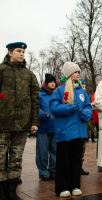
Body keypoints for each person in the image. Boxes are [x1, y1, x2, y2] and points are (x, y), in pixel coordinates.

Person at [0, 42, 39, 200]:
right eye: (18, 51)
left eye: (23, 51)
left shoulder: (29, 74)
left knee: (16, 159)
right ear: (10, 53)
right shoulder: (1, 70)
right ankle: (2, 193)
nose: (22, 54)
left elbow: (35, 100)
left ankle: (11, 192)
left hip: (22, 124)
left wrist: (34, 122)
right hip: (2, 123)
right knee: (0, 158)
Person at [50, 62, 92, 197]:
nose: (78, 73)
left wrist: (86, 113)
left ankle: (75, 186)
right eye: (75, 71)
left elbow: (88, 106)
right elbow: (54, 108)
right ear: (68, 74)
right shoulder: (59, 91)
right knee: (64, 161)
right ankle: (62, 187)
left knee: (76, 160)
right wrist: (70, 108)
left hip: (79, 132)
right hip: (65, 131)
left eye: (79, 72)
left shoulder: (81, 91)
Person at [36, 74, 58, 181]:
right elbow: (36, 108)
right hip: (43, 127)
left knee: (55, 151)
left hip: (55, 127)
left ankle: (53, 170)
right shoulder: (40, 95)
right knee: (42, 151)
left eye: (54, 82)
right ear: (46, 83)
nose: (53, 83)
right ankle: (43, 172)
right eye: (51, 82)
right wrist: (43, 115)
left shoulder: (57, 94)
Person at [80, 80, 91, 175]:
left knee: (83, 147)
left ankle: (80, 165)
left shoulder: (86, 97)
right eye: (82, 86)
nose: (84, 88)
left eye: (84, 86)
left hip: (84, 125)